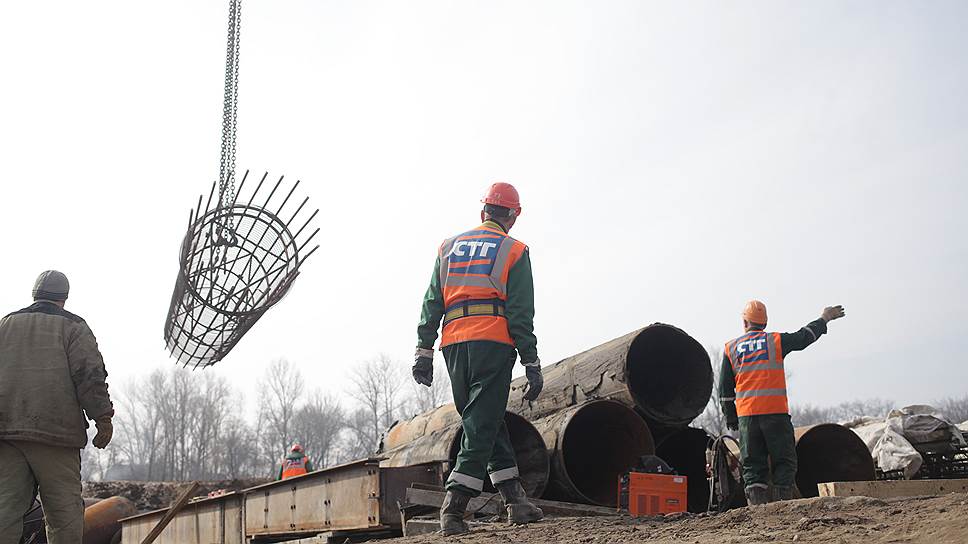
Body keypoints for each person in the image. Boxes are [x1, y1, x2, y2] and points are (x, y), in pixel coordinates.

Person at [413, 182, 544, 535]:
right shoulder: (514, 250)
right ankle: (453, 508)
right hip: (493, 343)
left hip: (453, 345)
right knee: (481, 425)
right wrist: (531, 361)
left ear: (482, 211)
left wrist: (423, 350)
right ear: (513, 216)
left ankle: (515, 501)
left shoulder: (448, 247)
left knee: (485, 419)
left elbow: (431, 302)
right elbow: (520, 312)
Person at [0, 271, 114, 544]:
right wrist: (103, 418)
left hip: (7, 435)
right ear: (64, 298)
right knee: (64, 517)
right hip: (56, 436)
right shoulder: (74, 327)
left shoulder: (5, 325)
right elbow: (90, 376)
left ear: (34, 294)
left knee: (5, 512)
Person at [719, 300, 846, 505]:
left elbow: (725, 391)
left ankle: (758, 511)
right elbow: (804, 337)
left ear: (744, 322)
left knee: (753, 465)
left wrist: (731, 417)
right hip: (775, 414)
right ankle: (782, 507)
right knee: (783, 461)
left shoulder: (730, 348)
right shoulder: (776, 341)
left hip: (747, 418)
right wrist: (824, 318)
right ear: (765, 323)